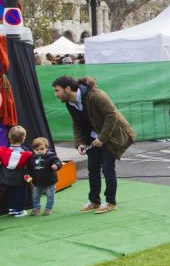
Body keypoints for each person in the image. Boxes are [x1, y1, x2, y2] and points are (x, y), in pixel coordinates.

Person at [53, 76, 136, 214]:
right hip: (92, 138)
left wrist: (102, 138)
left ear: (67, 89)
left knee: (108, 168)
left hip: (111, 137)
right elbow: (76, 122)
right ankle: (94, 201)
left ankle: (110, 202)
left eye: (57, 90)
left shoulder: (96, 95)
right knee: (93, 169)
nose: (56, 94)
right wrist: (79, 142)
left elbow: (111, 115)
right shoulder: (69, 102)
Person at [0, 125, 33, 217]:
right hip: (20, 178)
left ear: (9, 137)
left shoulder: (4, 150)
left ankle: (12, 209)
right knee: (21, 194)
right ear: (23, 138)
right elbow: (30, 163)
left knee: (11, 192)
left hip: (7, 177)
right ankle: (19, 210)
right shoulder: (25, 151)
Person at [29, 137, 62, 216]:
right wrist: (28, 175)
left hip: (50, 181)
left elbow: (58, 162)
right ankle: (36, 208)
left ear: (46, 148)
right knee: (35, 196)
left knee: (50, 195)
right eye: (37, 150)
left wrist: (56, 165)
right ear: (34, 150)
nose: (39, 151)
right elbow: (29, 168)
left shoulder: (51, 156)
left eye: (42, 149)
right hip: (37, 182)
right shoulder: (32, 158)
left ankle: (48, 208)